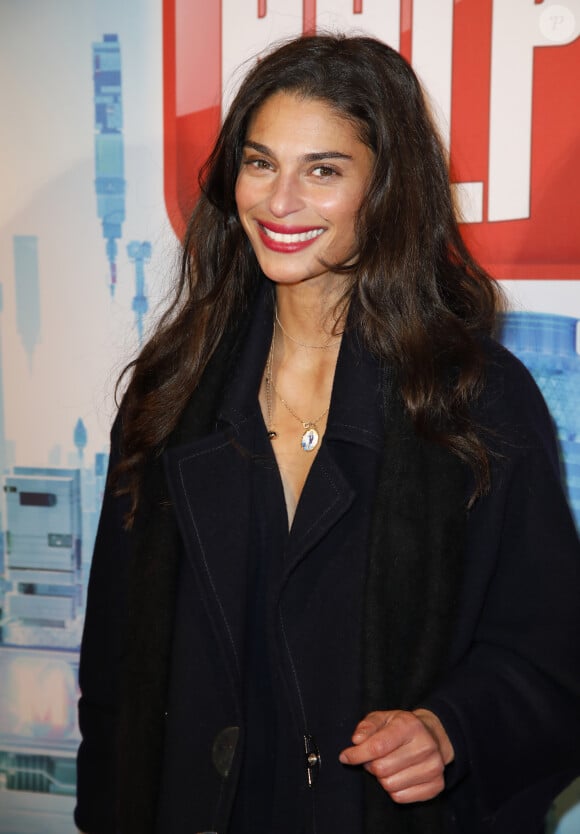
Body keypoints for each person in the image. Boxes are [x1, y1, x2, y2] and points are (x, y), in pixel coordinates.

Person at [74, 34, 580, 834]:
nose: (278, 202)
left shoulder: (475, 399)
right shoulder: (171, 392)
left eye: (324, 170)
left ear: (388, 189)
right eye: (259, 161)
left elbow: (553, 656)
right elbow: (115, 671)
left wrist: (450, 729)